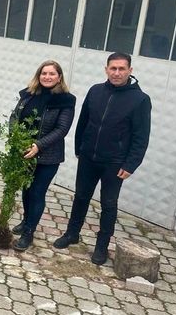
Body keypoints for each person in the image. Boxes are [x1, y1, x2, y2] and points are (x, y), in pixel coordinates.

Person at [53, 52, 151, 265]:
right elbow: (83, 121)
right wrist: (79, 147)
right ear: (106, 69)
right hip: (89, 157)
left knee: (108, 204)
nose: (117, 73)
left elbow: (141, 136)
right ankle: (72, 233)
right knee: (80, 197)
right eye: (113, 68)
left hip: (115, 162)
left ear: (130, 71)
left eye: (121, 69)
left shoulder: (140, 100)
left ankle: (101, 246)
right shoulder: (96, 91)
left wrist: (131, 164)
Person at [9, 60, 76, 251]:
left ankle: (29, 232)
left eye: (52, 74)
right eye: (44, 73)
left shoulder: (66, 100)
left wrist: (38, 145)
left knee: (37, 192)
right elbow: (15, 116)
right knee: (26, 189)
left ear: (59, 77)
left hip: (48, 156)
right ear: (39, 76)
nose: (47, 77)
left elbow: (62, 129)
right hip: (24, 151)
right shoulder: (29, 94)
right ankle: (25, 220)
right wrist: (16, 137)